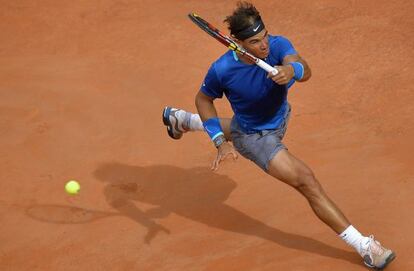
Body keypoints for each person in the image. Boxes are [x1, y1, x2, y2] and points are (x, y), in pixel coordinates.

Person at [162, 1, 395, 269]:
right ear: (237, 42)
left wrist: (291, 70)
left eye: (265, 37)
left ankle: (181, 120)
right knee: (306, 181)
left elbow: (304, 69)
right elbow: (204, 99)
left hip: (277, 118)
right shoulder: (222, 70)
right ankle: (364, 246)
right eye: (255, 42)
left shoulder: (278, 44)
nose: (264, 46)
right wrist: (219, 142)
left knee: (238, 125)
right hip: (256, 138)